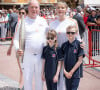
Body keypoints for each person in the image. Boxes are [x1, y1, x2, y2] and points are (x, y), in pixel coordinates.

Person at [13, 0, 48, 90]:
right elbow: (16, 39)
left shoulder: (43, 21)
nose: (34, 9)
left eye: (36, 7)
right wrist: (17, 49)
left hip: (41, 57)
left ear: (39, 9)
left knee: (40, 82)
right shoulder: (22, 22)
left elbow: (50, 37)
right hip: (27, 57)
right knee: (27, 81)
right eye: (32, 7)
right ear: (28, 8)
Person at [49, 1, 82, 90]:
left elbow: (78, 37)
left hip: (69, 54)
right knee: (57, 79)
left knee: (68, 79)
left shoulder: (72, 21)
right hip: (56, 55)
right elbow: (49, 38)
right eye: (58, 7)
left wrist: (81, 45)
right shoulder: (52, 23)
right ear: (56, 9)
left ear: (66, 9)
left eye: (62, 8)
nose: (60, 9)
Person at [60, 25, 85, 90]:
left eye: (72, 33)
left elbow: (80, 61)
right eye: (68, 32)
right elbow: (61, 60)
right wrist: (65, 72)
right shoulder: (64, 45)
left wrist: (71, 72)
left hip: (75, 74)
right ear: (66, 34)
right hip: (66, 73)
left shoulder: (79, 45)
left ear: (76, 33)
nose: (70, 34)